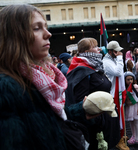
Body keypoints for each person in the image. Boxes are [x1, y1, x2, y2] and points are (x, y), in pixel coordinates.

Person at [0, 4, 100, 150]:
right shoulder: (6, 88)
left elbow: (49, 119)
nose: (48, 34)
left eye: (46, 27)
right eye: (36, 28)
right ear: (14, 36)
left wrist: (81, 110)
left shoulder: (41, 76)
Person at [66, 38, 121, 150]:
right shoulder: (82, 70)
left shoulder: (94, 66)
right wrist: (98, 122)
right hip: (97, 126)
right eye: (95, 47)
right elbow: (82, 102)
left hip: (104, 120)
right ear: (86, 52)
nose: (99, 49)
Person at [124, 71, 138, 145]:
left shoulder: (136, 87)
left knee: (136, 122)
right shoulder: (124, 88)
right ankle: (133, 135)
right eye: (128, 79)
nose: (130, 81)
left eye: (131, 79)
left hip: (136, 106)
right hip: (129, 107)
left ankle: (137, 138)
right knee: (131, 122)